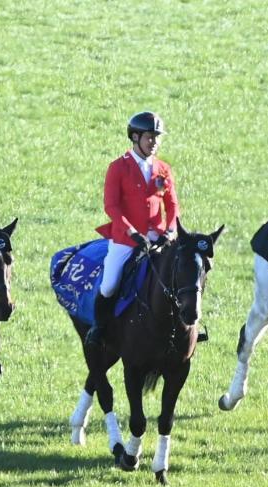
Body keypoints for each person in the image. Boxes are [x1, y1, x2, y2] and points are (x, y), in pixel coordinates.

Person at [84, 111, 179, 347]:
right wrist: (131, 232)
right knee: (109, 285)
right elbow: (111, 206)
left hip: (158, 240)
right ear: (135, 137)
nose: (154, 142)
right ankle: (99, 327)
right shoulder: (118, 167)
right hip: (126, 241)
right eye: (150, 137)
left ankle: (185, 329)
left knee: (181, 275)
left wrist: (170, 229)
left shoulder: (163, 169)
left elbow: (172, 204)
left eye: (157, 137)